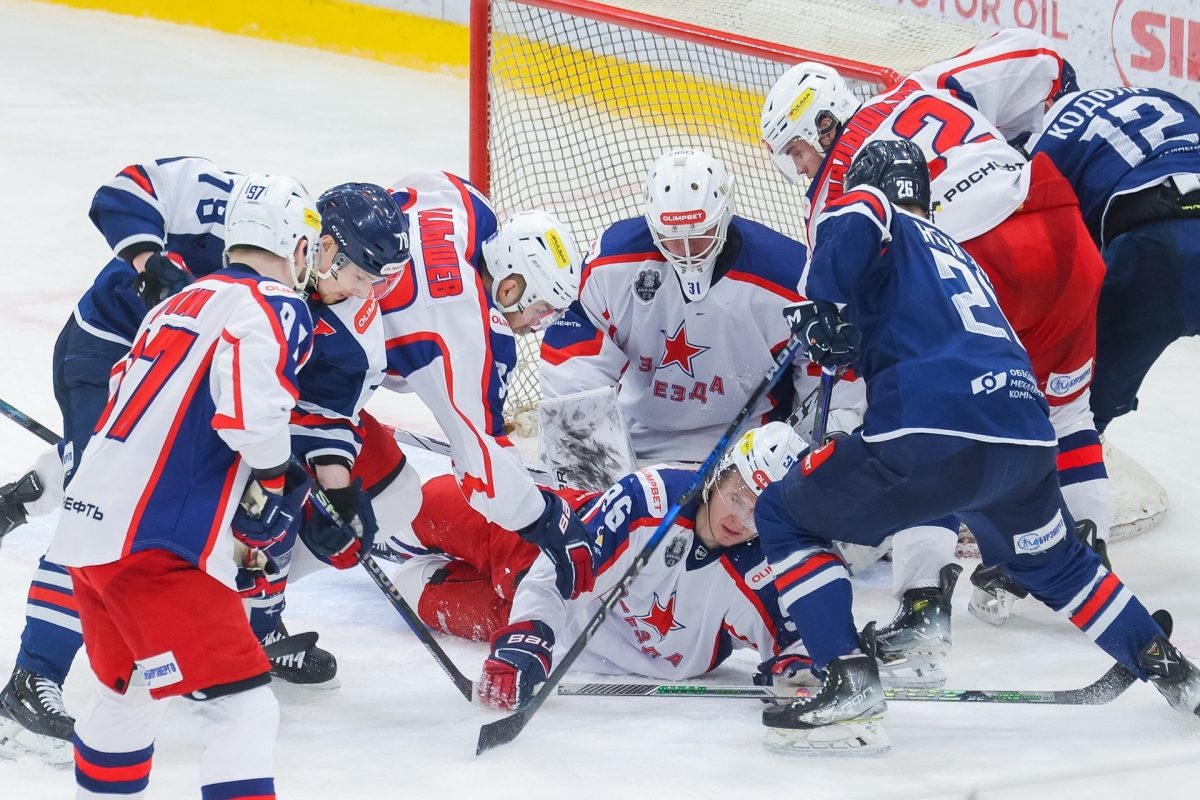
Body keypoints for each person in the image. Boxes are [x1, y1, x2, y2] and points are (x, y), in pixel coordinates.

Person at [753, 140, 1200, 756]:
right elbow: (888, 337)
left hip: (930, 429)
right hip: (1022, 436)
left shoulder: (874, 213)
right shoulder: (954, 255)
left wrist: (822, 303)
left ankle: (846, 677)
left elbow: (858, 211)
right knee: (1059, 565)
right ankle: (1169, 666)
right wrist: (838, 337)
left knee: (783, 514)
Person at [0, 162, 406, 759]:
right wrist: (146, 261)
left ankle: (249, 630)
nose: (364, 292)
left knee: (231, 499)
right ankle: (32, 680)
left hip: (204, 395)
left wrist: (334, 493)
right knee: (103, 499)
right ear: (319, 244)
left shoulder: (343, 325)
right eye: (359, 273)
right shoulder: (243, 213)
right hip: (116, 342)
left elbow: (316, 418)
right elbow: (129, 185)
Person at [759, 46, 1110, 630]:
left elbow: (825, 310)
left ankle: (923, 606)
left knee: (924, 434)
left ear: (825, 124)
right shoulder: (921, 86)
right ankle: (1091, 574)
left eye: (796, 149)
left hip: (976, 263)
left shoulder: (843, 190)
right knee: (1070, 413)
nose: (799, 167)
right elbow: (1043, 60)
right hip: (1059, 229)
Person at [42, 174, 318, 797]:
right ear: (293, 243)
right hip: (156, 549)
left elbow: (121, 394)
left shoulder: (176, 302)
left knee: (128, 695)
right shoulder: (273, 303)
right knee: (242, 707)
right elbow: (251, 418)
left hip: (88, 537)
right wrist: (275, 477)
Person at [539, 147, 863, 464]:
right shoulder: (612, 264)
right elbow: (575, 357)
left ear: (724, 215)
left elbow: (824, 366)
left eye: (700, 233)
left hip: (750, 445)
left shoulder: (789, 275)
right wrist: (588, 459)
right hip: (638, 435)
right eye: (671, 236)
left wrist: (817, 445)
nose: (686, 249)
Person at [367, 171, 598, 608]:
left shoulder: (462, 199)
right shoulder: (472, 336)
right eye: (541, 309)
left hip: (296, 293)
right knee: (390, 497)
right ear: (509, 287)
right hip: (303, 370)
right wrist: (547, 521)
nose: (537, 326)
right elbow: (483, 470)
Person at [472, 422, 809, 709]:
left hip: (539, 627)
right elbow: (565, 567)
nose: (739, 518)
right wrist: (526, 640)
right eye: (737, 496)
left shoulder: (763, 567)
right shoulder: (651, 499)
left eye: (757, 513)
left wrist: (800, 667)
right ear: (720, 472)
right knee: (433, 510)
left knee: (432, 593)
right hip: (536, 562)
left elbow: (801, 639)